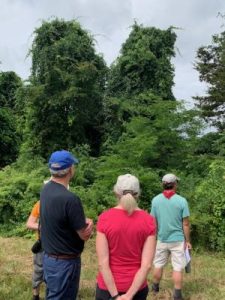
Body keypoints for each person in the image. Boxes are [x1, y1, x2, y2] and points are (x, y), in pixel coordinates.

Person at [40, 150, 93, 300]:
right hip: (66, 263)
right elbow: (84, 235)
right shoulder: (71, 199)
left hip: (49, 258)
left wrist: (76, 220)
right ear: (70, 169)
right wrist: (89, 225)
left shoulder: (45, 190)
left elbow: (59, 219)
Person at [96, 174, 156, 300]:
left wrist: (115, 296)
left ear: (116, 192)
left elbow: (103, 264)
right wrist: (129, 295)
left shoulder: (104, 218)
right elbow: (146, 265)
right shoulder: (149, 221)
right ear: (138, 193)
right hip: (137, 289)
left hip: (107, 289)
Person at [150, 173, 192, 300]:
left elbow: (153, 223)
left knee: (158, 264)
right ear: (174, 185)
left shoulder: (155, 200)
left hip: (162, 239)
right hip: (178, 240)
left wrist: (154, 239)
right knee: (178, 268)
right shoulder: (182, 201)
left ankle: (155, 290)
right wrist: (188, 241)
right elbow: (185, 223)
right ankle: (177, 296)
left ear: (163, 184)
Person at [26, 201, 43, 300]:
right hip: (42, 244)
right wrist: (42, 227)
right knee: (38, 270)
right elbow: (29, 223)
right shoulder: (40, 204)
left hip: (58, 246)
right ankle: (35, 296)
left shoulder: (66, 202)